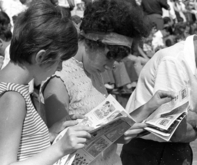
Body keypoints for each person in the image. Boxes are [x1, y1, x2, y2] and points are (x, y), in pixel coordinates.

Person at [41, 0, 175, 165]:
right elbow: (60, 149)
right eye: (110, 57)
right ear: (93, 43)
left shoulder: (93, 70)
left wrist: (149, 106)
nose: (112, 66)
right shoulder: (59, 80)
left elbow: (108, 132)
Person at [0, 1, 94, 165]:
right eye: (59, 61)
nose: (60, 68)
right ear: (40, 57)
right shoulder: (12, 98)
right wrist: (60, 148)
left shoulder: (0, 86)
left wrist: (50, 134)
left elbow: (20, 146)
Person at [121, 35, 197, 165]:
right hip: (150, 151)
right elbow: (177, 132)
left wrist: (191, 118)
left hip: (171, 150)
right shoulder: (173, 60)